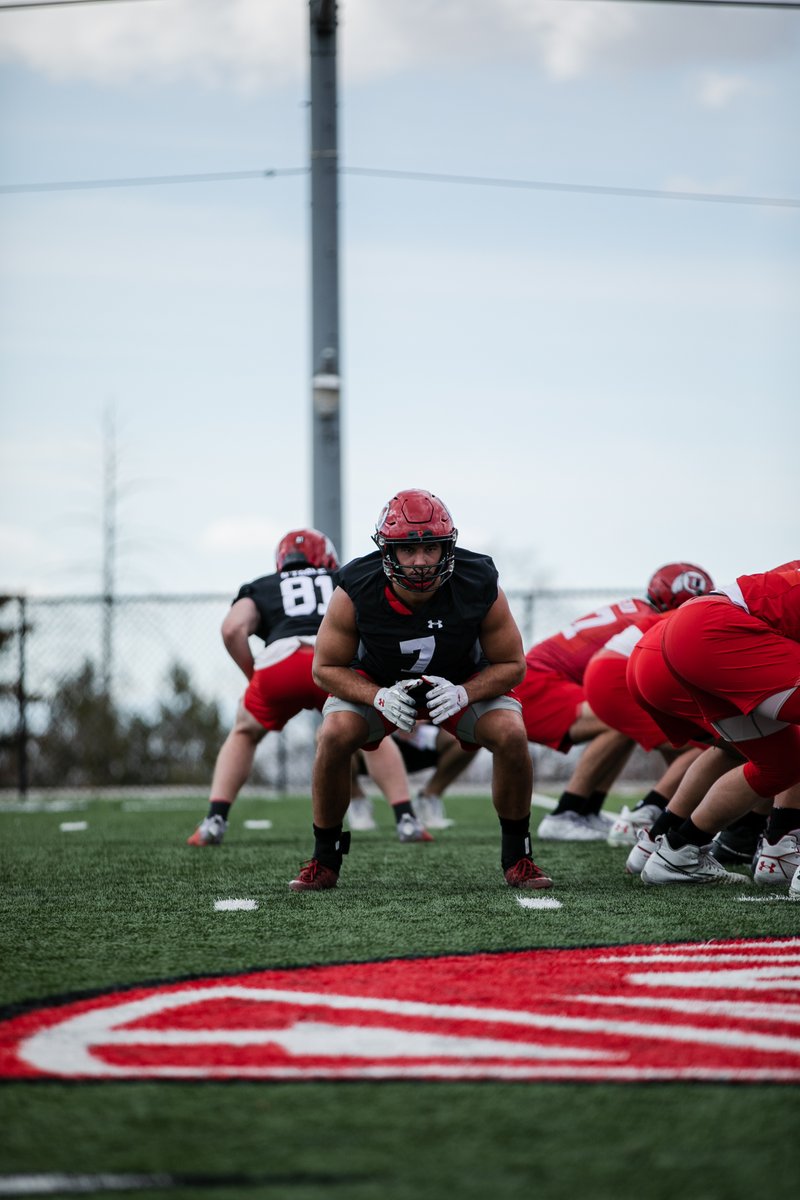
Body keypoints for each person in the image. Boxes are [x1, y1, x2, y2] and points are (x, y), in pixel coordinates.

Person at [288, 488, 552, 892]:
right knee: (334, 735)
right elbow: (324, 668)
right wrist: (375, 695)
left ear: (448, 546)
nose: (421, 561)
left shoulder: (478, 581)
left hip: (459, 684)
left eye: (431, 548)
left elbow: (514, 664)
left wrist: (465, 693)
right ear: (386, 551)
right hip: (381, 686)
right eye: (408, 550)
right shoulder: (356, 587)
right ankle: (325, 858)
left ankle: (518, 855)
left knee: (512, 734)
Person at [187, 527, 424, 847]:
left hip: (280, 664)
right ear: (326, 557)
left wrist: (253, 675)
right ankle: (406, 818)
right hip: (336, 666)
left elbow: (232, 629)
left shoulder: (263, 586)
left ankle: (214, 820)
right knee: (373, 736)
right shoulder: (345, 577)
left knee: (244, 731)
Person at [624, 561, 800, 889]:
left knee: (778, 764)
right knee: (740, 753)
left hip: (673, 640)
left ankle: (676, 850)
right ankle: (777, 845)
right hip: (710, 631)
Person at [515, 562, 714, 842]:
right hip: (538, 684)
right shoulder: (652, 624)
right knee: (619, 719)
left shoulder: (636, 609)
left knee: (632, 722)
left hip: (544, 680)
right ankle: (566, 813)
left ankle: (587, 811)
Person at [583, 619, 706, 847]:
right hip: (627, 669)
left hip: (610, 667)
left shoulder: (657, 616)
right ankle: (643, 815)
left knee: (690, 745)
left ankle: (666, 813)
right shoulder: (692, 615)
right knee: (710, 748)